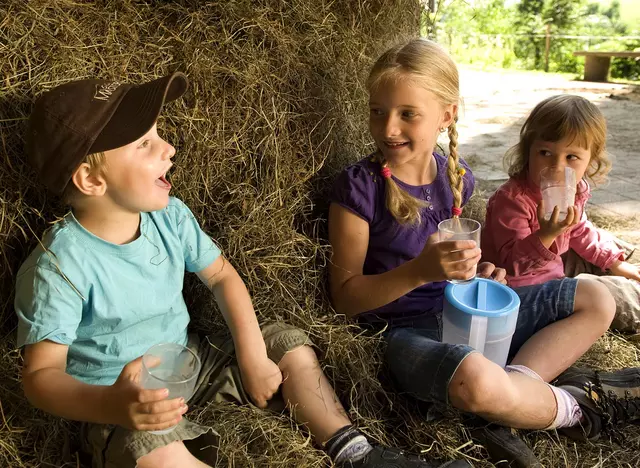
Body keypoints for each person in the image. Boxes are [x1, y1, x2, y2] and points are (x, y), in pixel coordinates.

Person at [16, 73, 471, 468]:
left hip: (191, 363)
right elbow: (41, 378)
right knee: (148, 445)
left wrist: (253, 354)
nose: (170, 148)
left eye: (160, 134)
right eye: (145, 144)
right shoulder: (60, 265)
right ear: (91, 180)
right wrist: (112, 405)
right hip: (123, 405)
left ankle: (353, 449)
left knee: (286, 344)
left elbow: (221, 276)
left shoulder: (169, 216)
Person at [327, 38, 640, 463]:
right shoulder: (359, 188)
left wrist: (482, 273)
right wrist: (419, 272)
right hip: (401, 331)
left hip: (467, 309)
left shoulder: (456, 177)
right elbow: (345, 299)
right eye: (378, 111)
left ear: (447, 115)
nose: (388, 128)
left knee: (595, 296)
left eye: (407, 114)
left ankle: (512, 398)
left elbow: (466, 267)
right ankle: (574, 408)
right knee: (476, 378)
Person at [482, 94, 640, 333]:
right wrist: (546, 235)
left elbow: (579, 230)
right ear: (528, 152)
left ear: (590, 161)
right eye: (545, 153)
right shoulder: (513, 200)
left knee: (610, 245)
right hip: (523, 289)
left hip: (554, 265)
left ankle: (619, 270)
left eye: (572, 157)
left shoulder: (574, 190)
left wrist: (614, 263)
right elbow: (511, 265)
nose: (557, 167)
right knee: (611, 294)